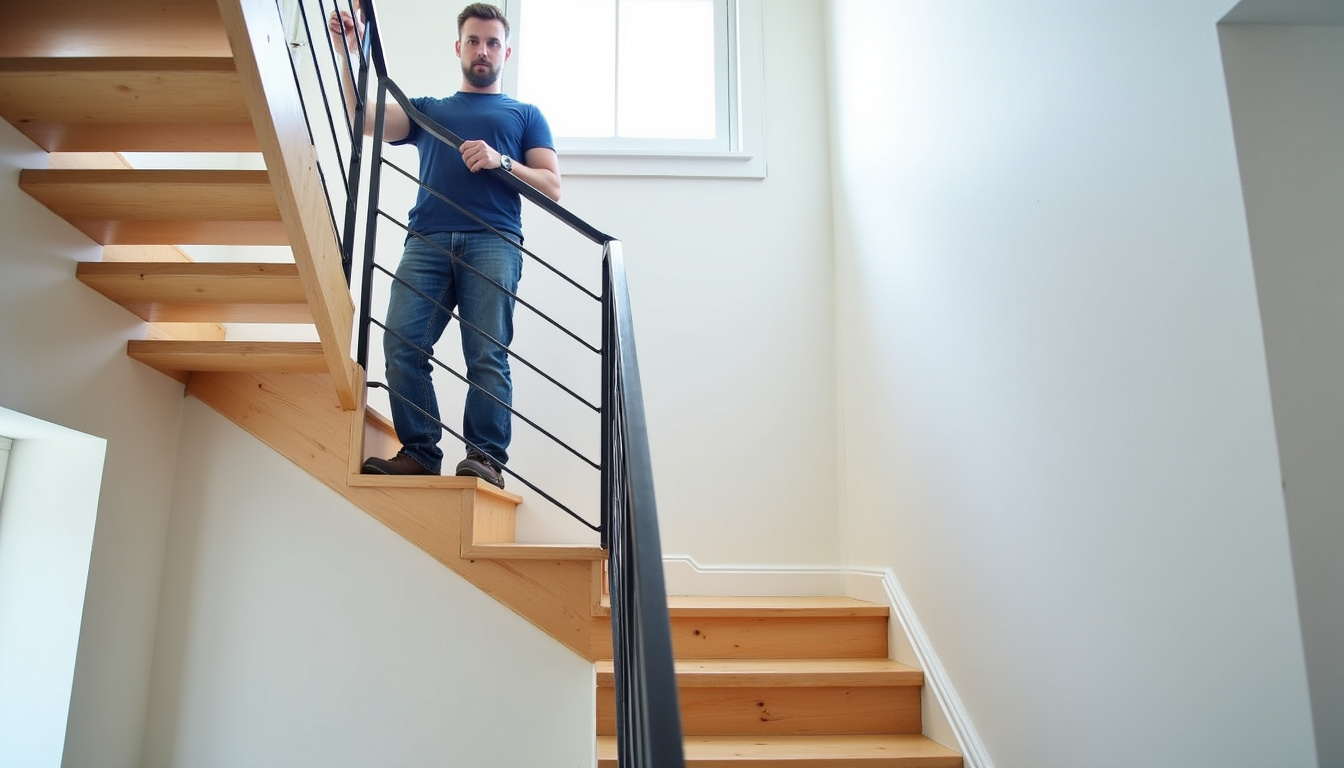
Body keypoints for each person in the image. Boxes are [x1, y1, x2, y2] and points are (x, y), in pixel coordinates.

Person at [329, 2, 561, 488]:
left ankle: (485, 458)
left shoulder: (525, 115)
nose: (483, 51)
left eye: (492, 43)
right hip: (427, 242)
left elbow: (551, 185)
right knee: (401, 342)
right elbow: (364, 118)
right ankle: (419, 452)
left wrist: (501, 161)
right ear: (459, 47)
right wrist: (350, 49)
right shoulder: (429, 110)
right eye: (474, 41)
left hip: (494, 241)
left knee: (486, 353)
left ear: (506, 52)